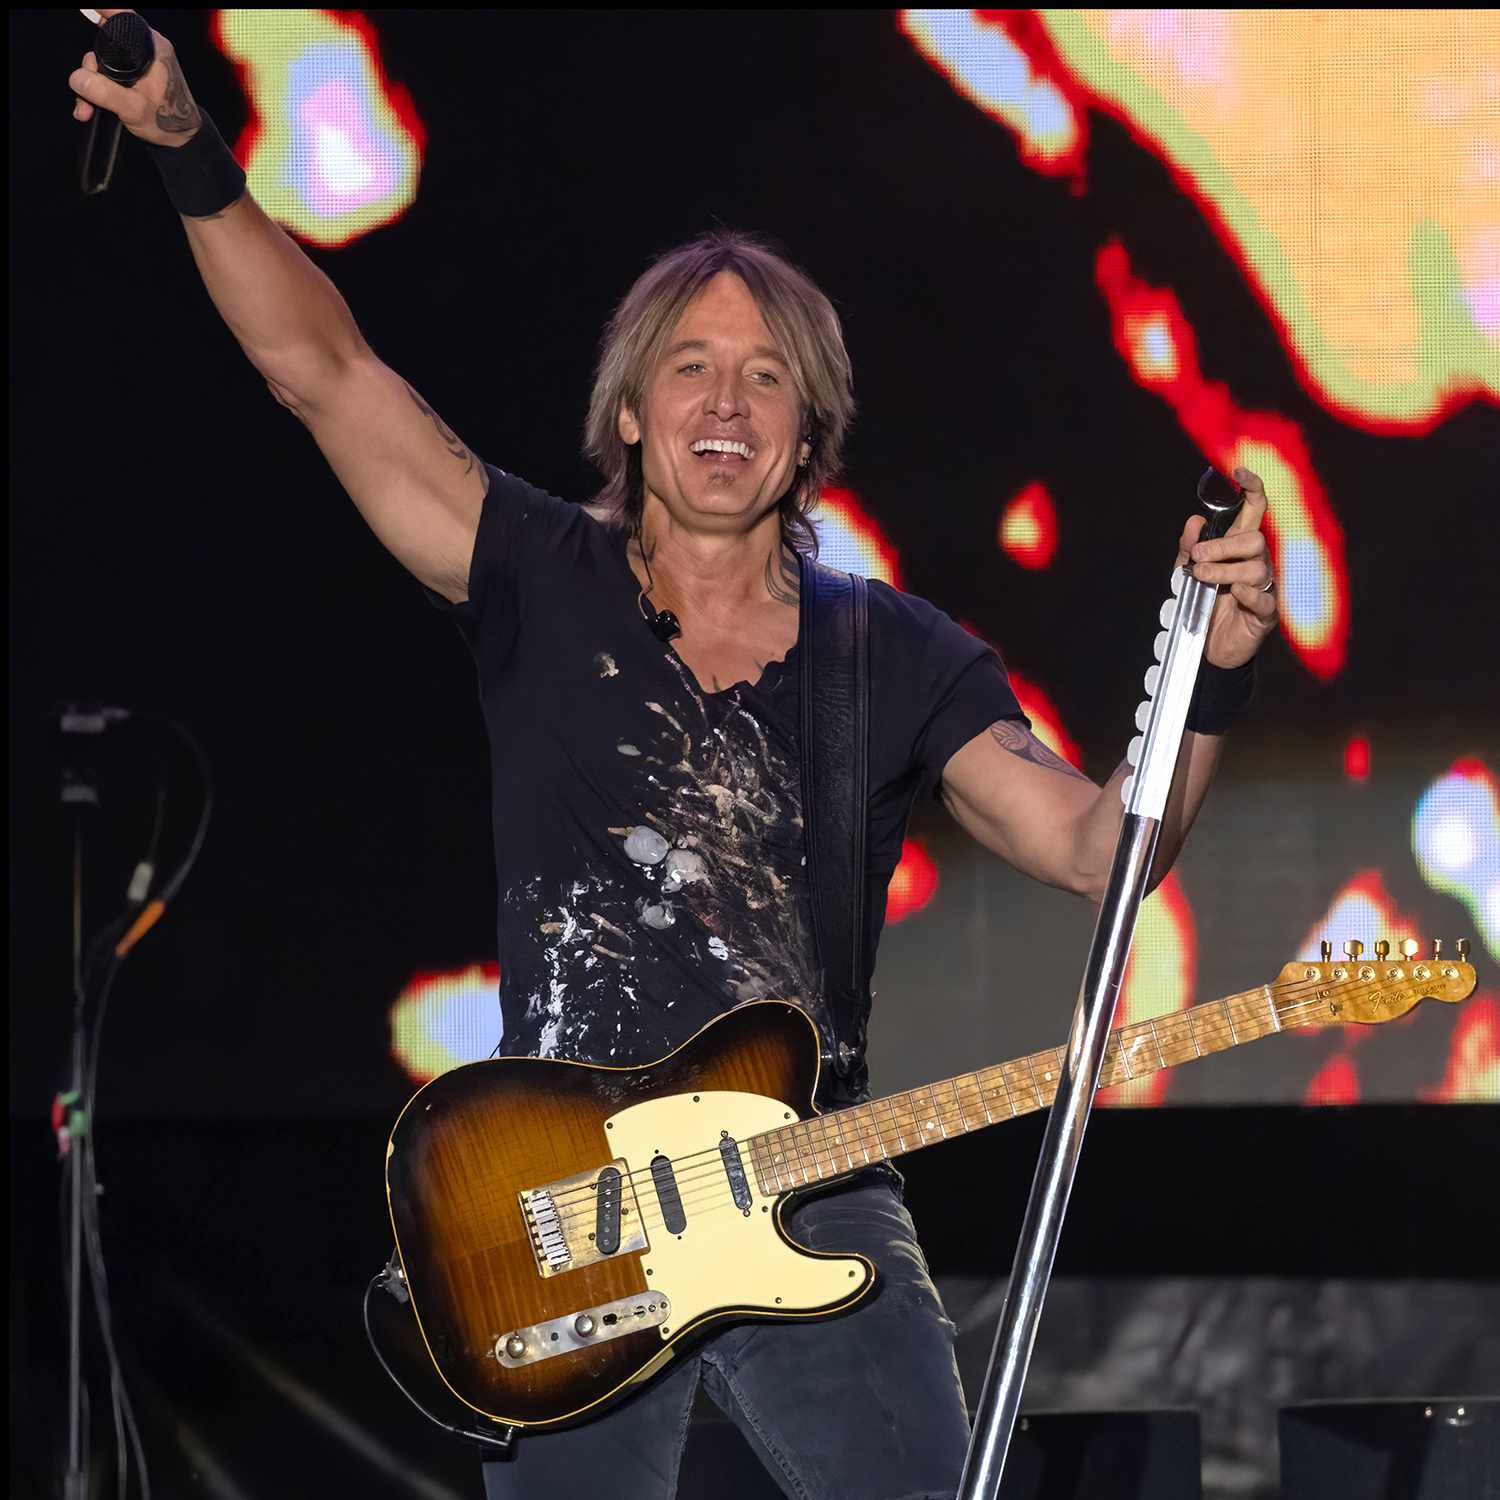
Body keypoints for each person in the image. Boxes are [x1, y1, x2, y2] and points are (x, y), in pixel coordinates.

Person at [70, 15, 1279, 1499]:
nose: (725, 402)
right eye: (691, 369)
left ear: (809, 429)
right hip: (566, 1207)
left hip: (813, 1184)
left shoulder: (894, 649)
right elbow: (319, 369)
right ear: (631, 414)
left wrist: (1212, 680)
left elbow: (1104, 852)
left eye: (766, 377)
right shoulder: (533, 571)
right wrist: (187, 141)